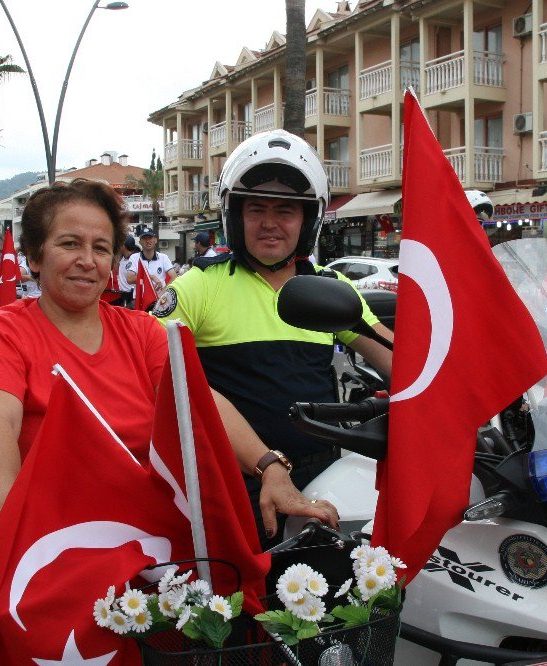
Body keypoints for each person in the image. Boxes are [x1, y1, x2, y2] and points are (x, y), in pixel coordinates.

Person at [0, 178, 336, 609]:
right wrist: (1, 519)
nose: (87, 260)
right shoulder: (3, 333)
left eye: (101, 248)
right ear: (34, 256)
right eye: (69, 244)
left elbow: (201, 402)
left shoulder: (141, 332)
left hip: (130, 532)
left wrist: (269, 467)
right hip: (32, 533)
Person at [154, 129, 394, 546]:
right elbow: (154, 366)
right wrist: (263, 464)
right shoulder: (198, 285)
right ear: (235, 216)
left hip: (324, 475)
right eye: (256, 209)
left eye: (285, 211)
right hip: (235, 480)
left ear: (307, 221)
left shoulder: (329, 286)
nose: (269, 223)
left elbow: (397, 358)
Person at [126, 226, 175, 294]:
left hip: (159, 300)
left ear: (155, 240)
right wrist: (151, 277)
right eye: (144, 238)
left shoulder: (163, 258)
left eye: (150, 238)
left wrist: (161, 294)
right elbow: (129, 279)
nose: (148, 241)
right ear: (140, 242)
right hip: (140, 299)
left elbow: (174, 277)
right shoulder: (134, 258)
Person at [115, 235, 137, 308]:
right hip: (122, 294)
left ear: (124, 246)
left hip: (131, 296)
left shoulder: (135, 260)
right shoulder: (122, 258)